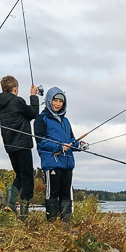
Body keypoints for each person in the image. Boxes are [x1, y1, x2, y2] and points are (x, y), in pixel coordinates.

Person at [34, 87, 85, 222]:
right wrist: (59, 146)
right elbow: (40, 142)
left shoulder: (66, 121)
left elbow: (71, 141)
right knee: (52, 194)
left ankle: (65, 224)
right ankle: (51, 224)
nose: (57, 104)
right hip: (52, 162)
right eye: (55, 100)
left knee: (66, 194)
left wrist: (79, 146)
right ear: (49, 101)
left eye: (60, 101)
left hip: (67, 163)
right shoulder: (41, 118)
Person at [0, 76, 39, 215]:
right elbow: (33, 113)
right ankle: (24, 212)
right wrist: (33, 96)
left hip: (9, 145)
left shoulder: (2, 105)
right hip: (23, 144)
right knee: (27, 177)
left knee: (19, 175)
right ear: (15, 88)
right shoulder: (17, 101)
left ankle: (10, 203)